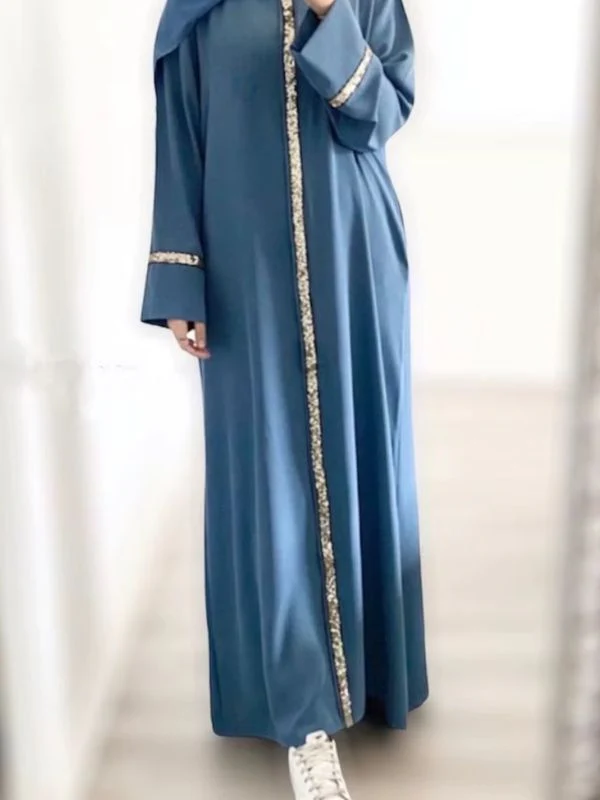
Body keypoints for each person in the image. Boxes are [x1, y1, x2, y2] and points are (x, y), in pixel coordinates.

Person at [141, 0, 428, 796]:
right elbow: (180, 137)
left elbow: (383, 115)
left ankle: (369, 679)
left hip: (355, 258)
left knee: (362, 456)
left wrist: (331, 16)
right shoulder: (199, 11)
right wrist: (180, 278)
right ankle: (304, 719)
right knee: (271, 480)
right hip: (246, 274)